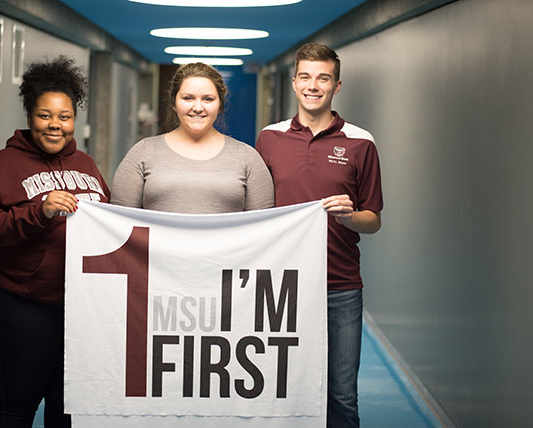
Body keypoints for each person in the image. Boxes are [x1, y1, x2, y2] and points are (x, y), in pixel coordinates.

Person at [0, 56, 109, 428]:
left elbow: (111, 222)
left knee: (67, 403)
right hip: (23, 302)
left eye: (64, 116)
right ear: (30, 116)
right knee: (18, 399)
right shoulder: (2, 165)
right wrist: (37, 212)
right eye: (46, 115)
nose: (55, 126)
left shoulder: (87, 165)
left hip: (80, 306)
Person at [256, 43, 383, 428]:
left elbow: (373, 218)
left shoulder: (362, 142)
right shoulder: (269, 138)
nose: (314, 86)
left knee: (342, 397)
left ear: (337, 85)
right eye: (306, 77)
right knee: (283, 392)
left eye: (323, 78)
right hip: (280, 287)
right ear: (294, 83)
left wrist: (350, 218)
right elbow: (257, 210)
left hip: (339, 286)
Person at [111, 62, 273, 213]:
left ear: (220, 105)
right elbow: (119, 223)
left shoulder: (247, 157)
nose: (197, 107)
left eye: (208, 99)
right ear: (174, 103)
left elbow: (262, 228)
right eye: (188, 98)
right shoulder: (143, 152)